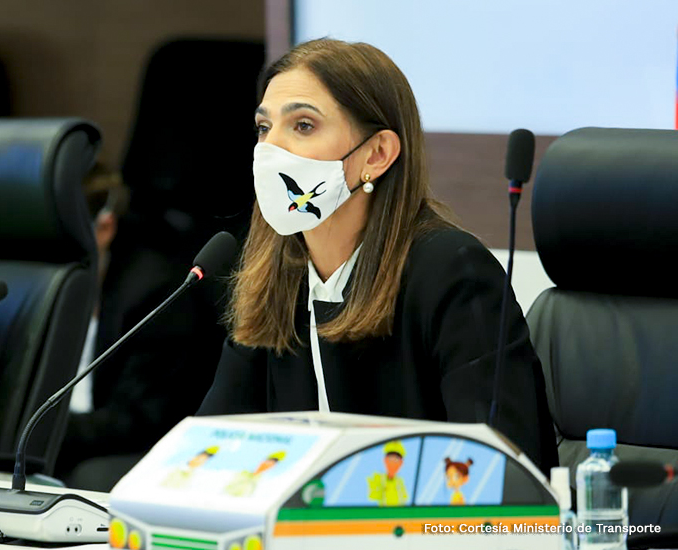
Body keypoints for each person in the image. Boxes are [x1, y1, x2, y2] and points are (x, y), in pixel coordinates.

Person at [197, 38, 557, 472]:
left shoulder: (453, 273)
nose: (271, 150)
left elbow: (498, 478)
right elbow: (209, 457)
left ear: (377, 154)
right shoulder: (278, 274)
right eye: (263, 128)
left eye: (303, 126)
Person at [56, 165, 228, 491]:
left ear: (104, 227)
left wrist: (43, 427)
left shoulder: (153, 292)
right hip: (63, 443)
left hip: (136, 450)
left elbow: (141, 420)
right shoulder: (32, 284)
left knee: (89, 477)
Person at [367, 440, 409, 506]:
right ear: (385, 460)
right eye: (390, 459)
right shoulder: (377, 478)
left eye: (396, 460)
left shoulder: (400, 481)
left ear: (401, 463)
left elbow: (404, 500)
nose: (393, 463)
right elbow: (372, 498)